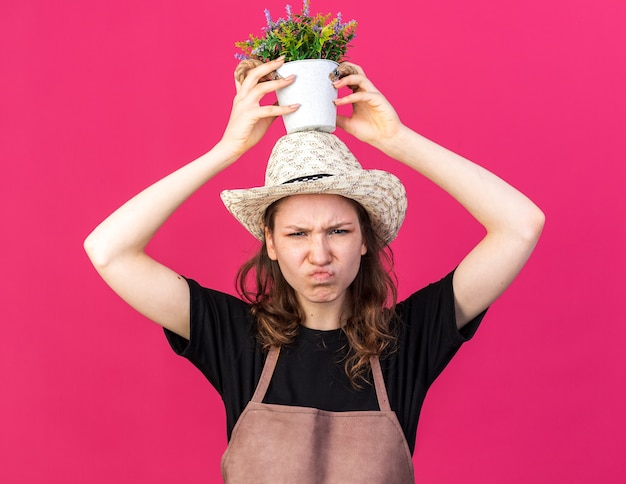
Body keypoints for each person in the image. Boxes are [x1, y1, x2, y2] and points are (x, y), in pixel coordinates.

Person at [84, 57, 545, 483]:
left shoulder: (407, 340)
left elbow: (520, 226)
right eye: (297, 234)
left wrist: (395, 139)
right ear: (270, 242)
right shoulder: (234, 338)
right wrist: (226, 150)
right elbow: (109, 250)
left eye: (339, 231)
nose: (319, 254)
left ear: (366, 240)